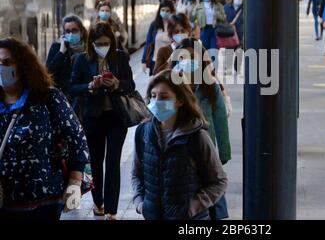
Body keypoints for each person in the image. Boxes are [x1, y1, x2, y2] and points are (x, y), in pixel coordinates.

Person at [0, 37, 89, 220]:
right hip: (5, 201)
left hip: (45, 201)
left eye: (6, 62)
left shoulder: (48, 98)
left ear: (23, 65)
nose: (1, 67)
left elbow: (76, 137)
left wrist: (74, 181)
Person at [131, 69, 228, 220]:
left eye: (164, 97)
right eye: (153, 96)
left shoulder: (197, 136)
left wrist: (190, 209)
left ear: (180, 100)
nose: (156, 102)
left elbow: (219, 181)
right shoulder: (143, 132)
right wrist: (140, 204)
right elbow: (137, 174)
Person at [70, 22, 135, 219]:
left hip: (116, 117)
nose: (103, 46)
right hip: (93, 118)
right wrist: (90, 85)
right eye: (99, 43)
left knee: (113, 163)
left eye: (107, 42)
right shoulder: (81, 59)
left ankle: (112, 210)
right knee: (96, 162)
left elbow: (130, 84)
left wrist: (117, 84)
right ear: (92, 43)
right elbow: (73, 87)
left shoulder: (120, 57)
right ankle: (98, 202)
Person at [170, 38, 231, 219]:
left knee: (211, 190)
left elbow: (220, 121)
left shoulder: (210, 85)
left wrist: (223, 154)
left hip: (206, 146)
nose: (187, 61)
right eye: (182, 57)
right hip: (179, 148)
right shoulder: (171, 82)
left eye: (192, 57)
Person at [46, 14, 87, 103]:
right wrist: (61, 52)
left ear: (82, 32)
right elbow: (48, 73)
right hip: (63, 99)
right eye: (68, 31)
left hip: (83, 98)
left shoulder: (88, 50)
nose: (71, 34)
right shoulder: (57, 47)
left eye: (74, 30)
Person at [191, 0, 226, 71]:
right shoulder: (198, 6)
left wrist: (217, 14)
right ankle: (206, 69)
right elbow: (192, 18)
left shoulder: (218, 5)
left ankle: (214, 70)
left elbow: (224, 18)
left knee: (214, 50)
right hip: (204, 30)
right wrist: (196, 22)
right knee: (205, 51)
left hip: (215, 30)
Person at [142, 0, 176, 76]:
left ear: (171, 11)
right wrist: (144, 61)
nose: (165, 12)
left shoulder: (175, 25)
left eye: (167, 10)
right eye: (163, 10)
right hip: (156, 61)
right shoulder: (154, 25)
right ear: (159, 11)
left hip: (171, 62)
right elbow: (148, 42)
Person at [224, 0, 244, 74]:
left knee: (239, 52)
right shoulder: (226, 7)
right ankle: (228, 69)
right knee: (229, 51)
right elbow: (223, 19)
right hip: (229, 33)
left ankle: (237, 69)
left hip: (241, 33)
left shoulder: (245, 8)